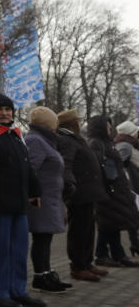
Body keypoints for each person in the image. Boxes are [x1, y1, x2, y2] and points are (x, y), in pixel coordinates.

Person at [0, 95, 45, 307]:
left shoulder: (15, 133)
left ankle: (18, 290)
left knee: (19, 250)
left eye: (8, 109)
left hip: (19, 202)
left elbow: (27, 166)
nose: (5, 113)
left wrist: (34, 191)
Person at [24, 107, 76, 293]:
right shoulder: (35, 141)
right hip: (41, 199)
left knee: (45, 238)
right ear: (49, 123)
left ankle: (45, 272)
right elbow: (31, 170)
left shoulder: (43, 140)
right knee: (42, 237)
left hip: (50, 197)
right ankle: (41, 276)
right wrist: (33, 194)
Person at [55, 109, 110, 281]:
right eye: (77, 120)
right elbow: (67, 164)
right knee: (79, 231)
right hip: (79, 193)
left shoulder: (74, 138)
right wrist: (69, 185)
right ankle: (78, 266)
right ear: (71, 123)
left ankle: (87, 262)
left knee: (87, 230)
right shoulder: (66, 140)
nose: (80, 123)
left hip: (87, 192)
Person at [86, 115, 139, 268]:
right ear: (100, 127)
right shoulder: (97, 143)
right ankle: (105, 254)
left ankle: (116, 254)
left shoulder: (107, 143)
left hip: (115, 188)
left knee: (112, 222)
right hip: (109, 189)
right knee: (108, 223)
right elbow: (97, 166)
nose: (110, 128)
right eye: (107, 126)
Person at [112, 120, 139, 256]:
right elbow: (119, 165)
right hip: (132, 186)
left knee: (134, 216)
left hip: (134, 185)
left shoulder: (129, 144)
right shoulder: (125, 145)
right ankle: (135, 244)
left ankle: (135, 245)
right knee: (134, 216)